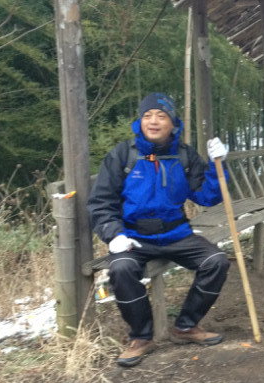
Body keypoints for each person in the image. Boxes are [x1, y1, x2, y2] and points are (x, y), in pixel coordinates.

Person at [88, 92, 231, 368]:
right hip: (133, 237)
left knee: (216, 261)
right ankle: (141, 337)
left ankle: (186, 326)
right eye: (147, 115)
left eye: (161, 116)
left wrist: (218, 165)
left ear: (172, 123)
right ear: (140, 121)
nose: (153, 121)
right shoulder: (123, 155)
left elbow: (208, 196)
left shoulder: (184, 155)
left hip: (176, 234)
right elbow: (101, 202)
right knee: (121, 269)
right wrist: (114, 235)